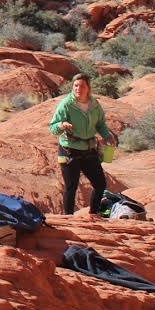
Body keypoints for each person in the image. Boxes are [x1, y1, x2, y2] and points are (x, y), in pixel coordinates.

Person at [49, 72, 118, 216]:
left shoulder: (94, 104)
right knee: (71, 186)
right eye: (75, 85)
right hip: (69, 150)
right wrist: (62, 125)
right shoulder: (66, 105)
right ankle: (68, 217)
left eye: (81, 86)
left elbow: (100, 124)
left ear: (88, 88)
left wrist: (107, 135)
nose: (78, 88)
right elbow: (53, 127)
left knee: (100, 184)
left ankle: (94, 214)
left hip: (89, 149)